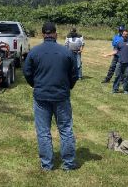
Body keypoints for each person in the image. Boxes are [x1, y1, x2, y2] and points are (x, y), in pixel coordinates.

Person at [23, 22, 79, 171]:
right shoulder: (66, 52)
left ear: (43, 34)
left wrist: (36, 85)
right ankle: (68, 163)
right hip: (61, 96)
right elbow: (74, 74)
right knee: (66, 129)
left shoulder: (34, 52)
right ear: (55, 33)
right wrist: (68, 87)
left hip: (41, 96)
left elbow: (27, 72)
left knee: (43, 131)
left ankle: (47, 164)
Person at [103, 29, 128, 94]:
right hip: (120, 62)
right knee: (117, 76)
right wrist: (107, 54)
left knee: (127, 77)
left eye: (126, 34)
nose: (125, 35)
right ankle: (115, 89)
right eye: (124, 34)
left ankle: (126, 90)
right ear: (122, 35)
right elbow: (115, 51)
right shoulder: (119, 42)